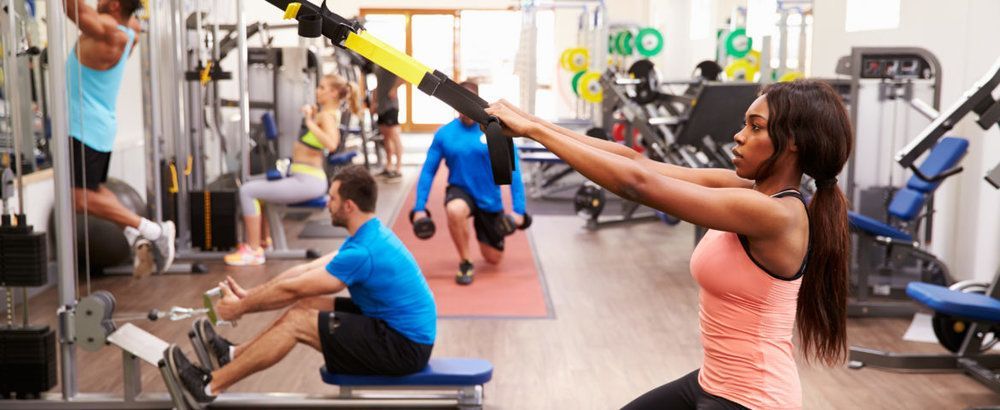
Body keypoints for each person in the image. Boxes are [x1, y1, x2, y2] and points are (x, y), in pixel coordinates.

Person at [485, 80, 852, 409]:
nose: (739, 136)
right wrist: (530, 124)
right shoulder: (745, 191)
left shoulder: (775, 214)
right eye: (745, 123)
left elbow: (637, 184)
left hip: (753, 399)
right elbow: (632, 161)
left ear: (792, 144)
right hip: (714, 381)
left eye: (755, 127)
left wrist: (533, 129)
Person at [167, 165, 437, 404]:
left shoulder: (362, 252)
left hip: (403, 347)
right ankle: (232, 354)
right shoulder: (369, 234)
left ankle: (210, 385)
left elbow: (293, 289)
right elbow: (305, 271)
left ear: (349, 206)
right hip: (393, 328)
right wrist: (248, 296)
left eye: (333, 199)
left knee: (299, 322)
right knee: (308, 306)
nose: (327, 204)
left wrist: (241, 308)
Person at [65, 0, 175, 277]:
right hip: (95, 126)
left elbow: (71, 9)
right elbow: (131, 18)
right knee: (95, 191)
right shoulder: (129, 31)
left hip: (85, 127)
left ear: (114, 5)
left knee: (79, 200)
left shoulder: (110, 32)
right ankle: (131, 232)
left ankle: (154, 231)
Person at [225, 74, 361, 266]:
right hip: (304, 177)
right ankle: (264, 243)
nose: (317, 91)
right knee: (255, 188)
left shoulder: (327, 117)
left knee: (247, 190)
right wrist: (311, 117)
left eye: (322, 88)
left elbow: (331, 144)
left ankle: (253, 251)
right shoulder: (324, 114)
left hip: (308, 181)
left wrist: (311, 123)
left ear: (332, 93)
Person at [411, 81, 528, 285]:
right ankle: (465, 260)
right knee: (455, 210)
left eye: (468, 104)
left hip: (489, 198)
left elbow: (514, 171)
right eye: (459, 104)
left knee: (493, 259)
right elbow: (428, 171)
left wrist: (519, 211)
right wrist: (420, 207)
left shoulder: (494, 130)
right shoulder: (445, 134)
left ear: (477, 103)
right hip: (460, 190)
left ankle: (479, 233)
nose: (464, 109)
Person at [371, 66, 405, 180]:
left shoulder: (390, 62)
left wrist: (395, 88)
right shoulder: (377, 65)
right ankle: (389, 166)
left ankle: (399, 168)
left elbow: (404, 76)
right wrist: (374, 102)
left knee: (394, 135)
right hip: (381, 105)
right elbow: (378, 84)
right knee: (386, 137)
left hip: (391, 105)